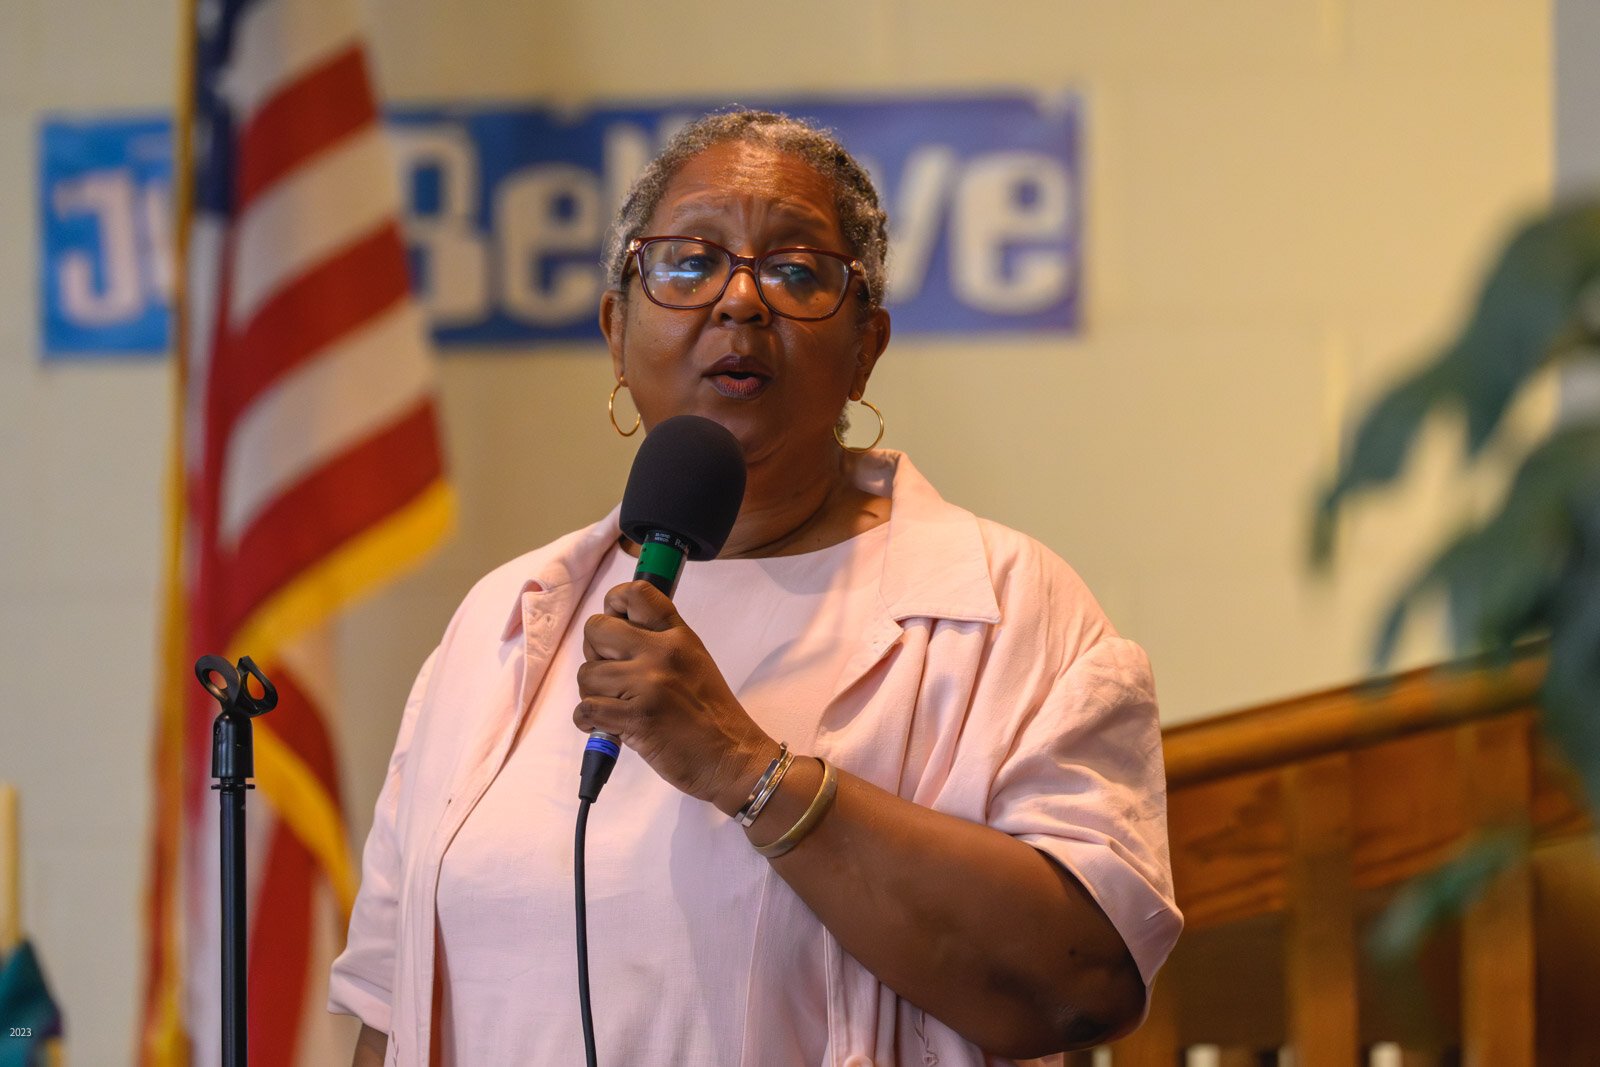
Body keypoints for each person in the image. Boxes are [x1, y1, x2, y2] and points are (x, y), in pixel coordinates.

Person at [331, 109, 1182, 1067]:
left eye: (796, 270)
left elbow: (1079, 985)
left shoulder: (1006, 605)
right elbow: (395, 1011)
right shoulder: (502, 619)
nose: (741, 301)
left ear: (866, 348)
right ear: (618, 330)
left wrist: (741, 764)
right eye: (689, 262)